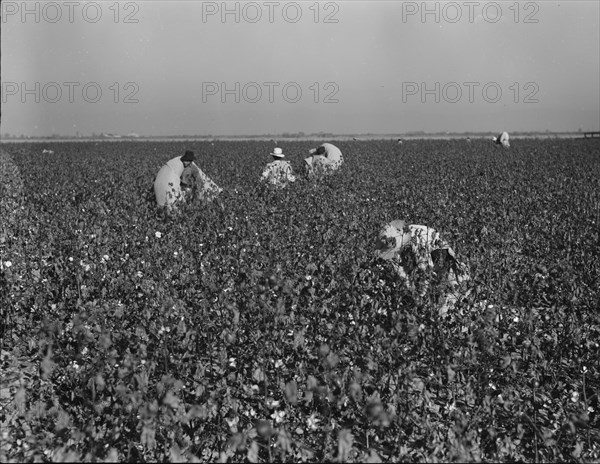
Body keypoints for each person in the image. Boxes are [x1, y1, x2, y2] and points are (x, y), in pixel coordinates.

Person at [374, 219, 470, 315]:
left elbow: (425, 268)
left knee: (452, 302)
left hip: (445, 263)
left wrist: (422, 294)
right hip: (426, 269)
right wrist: (412, 290)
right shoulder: (393, 250)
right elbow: (401, 273)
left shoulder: (417, 235)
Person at [153, 150, 221, 207]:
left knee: (189, 200)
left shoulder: (192, 168)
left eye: (188, 161)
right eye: (186, 160)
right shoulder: (178, 166)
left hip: (187, 188)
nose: (186, 163)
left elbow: (199, 179)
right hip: (179, 188)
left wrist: (199, 190)